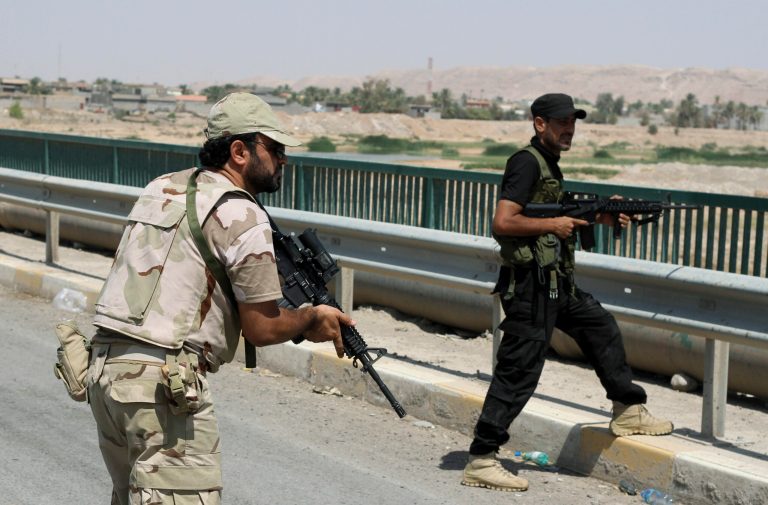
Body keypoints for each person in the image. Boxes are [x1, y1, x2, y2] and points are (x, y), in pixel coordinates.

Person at [86, 92, 351, 504]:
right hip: (161, 385)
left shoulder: (162, 187)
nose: (283, 159)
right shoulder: (243, 215)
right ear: (239, 151)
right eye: (275, 148)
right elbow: (261, 327)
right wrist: (310, 319)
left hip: (106, 372)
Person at [461, 93, 673, 492]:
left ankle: (627, 409)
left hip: (556, 284)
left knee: (601, 329)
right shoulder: (525, 162)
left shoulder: (549, 165)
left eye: (573, 122)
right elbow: (504, 222)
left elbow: (560, 212)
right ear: (539, 123)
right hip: (531, 288)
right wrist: (553, 225)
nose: (569, 128)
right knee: (519, 371)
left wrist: (601, 214)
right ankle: (482, 458)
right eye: (561, 122)